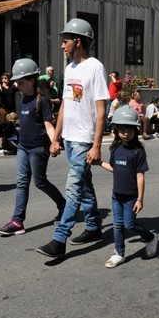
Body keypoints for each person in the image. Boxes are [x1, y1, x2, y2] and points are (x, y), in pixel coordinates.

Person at [36, 18, 109, 257]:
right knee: (84, 184)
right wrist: (56, 138)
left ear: (78, 41)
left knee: (73, 188)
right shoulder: (69, 69)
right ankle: (93, 226)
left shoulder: (95, 67)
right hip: (69, 137)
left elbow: (101, 110)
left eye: (65, 41)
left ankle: (59, 239)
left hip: (84, 139)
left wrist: (96, 145)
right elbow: (66, 105)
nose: (62, 46)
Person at [0, 59, 66, 236]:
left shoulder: (42, 101)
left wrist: (55, 142)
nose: (18, 85)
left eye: (21, 82)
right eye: (17, 82)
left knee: (40, 182)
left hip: (38, 148)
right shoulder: (21, 98)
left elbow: (48, 124)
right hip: (23, 147)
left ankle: (63, 205)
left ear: (32, 80)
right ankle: (17, 221)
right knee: (21, 183)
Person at [95, 106, 158, 268]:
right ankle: (119, 253)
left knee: (129, 224)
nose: (126, 132)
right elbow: (114, 168)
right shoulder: (115, 148)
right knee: (117, 225)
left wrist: (140, 199)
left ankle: (150, 237)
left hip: (131, 196)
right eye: (122, 129)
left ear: (135, 130)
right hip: (116, 195)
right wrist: (99, 163)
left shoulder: (138, 151)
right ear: (116, 129)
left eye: (129, 129)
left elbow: (140, 175)